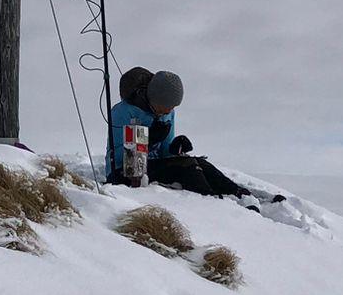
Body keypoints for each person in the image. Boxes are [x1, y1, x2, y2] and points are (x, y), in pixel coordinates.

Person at [106, 66, 283, 202]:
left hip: (151, 166)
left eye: (173, 108)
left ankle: (240, 193)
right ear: (155, 98)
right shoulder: (124, 112)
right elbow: (127, 161)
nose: (170, 111)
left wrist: (175, 147)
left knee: (200, 163)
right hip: (125, 173)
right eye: (167, 106)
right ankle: (213, 201)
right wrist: (148, 139)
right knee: (188, 166)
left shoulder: (167, 112)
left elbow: (166, 153)